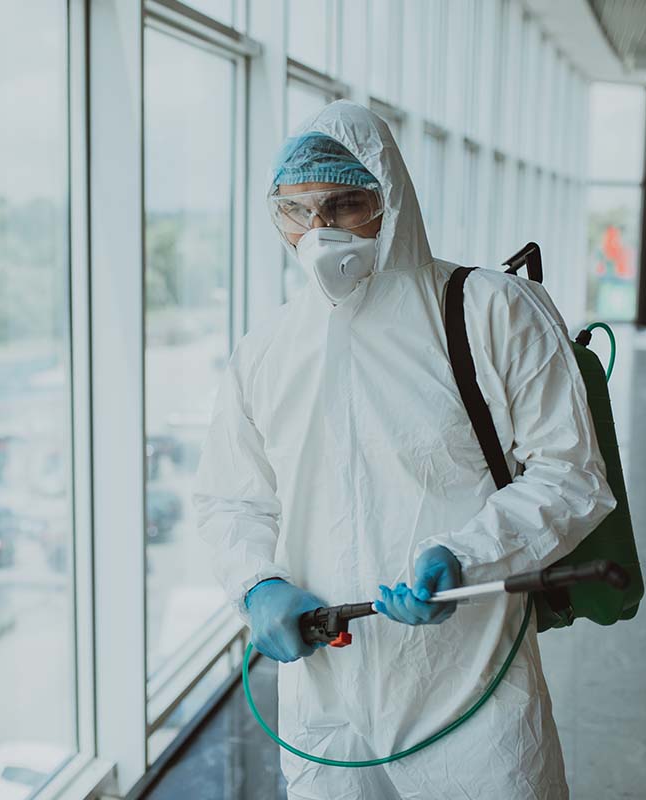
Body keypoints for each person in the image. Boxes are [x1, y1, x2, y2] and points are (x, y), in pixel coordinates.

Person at [194, 100, 615, 800]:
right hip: (325, 696)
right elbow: (230, 498)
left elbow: (571, 475)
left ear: (391, 198)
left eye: (345, 204)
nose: (319, 232)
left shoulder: (491, 311)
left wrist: (467, 554)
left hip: (470, 684)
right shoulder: (265, 352)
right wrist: (258, 583)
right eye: (296, 212)